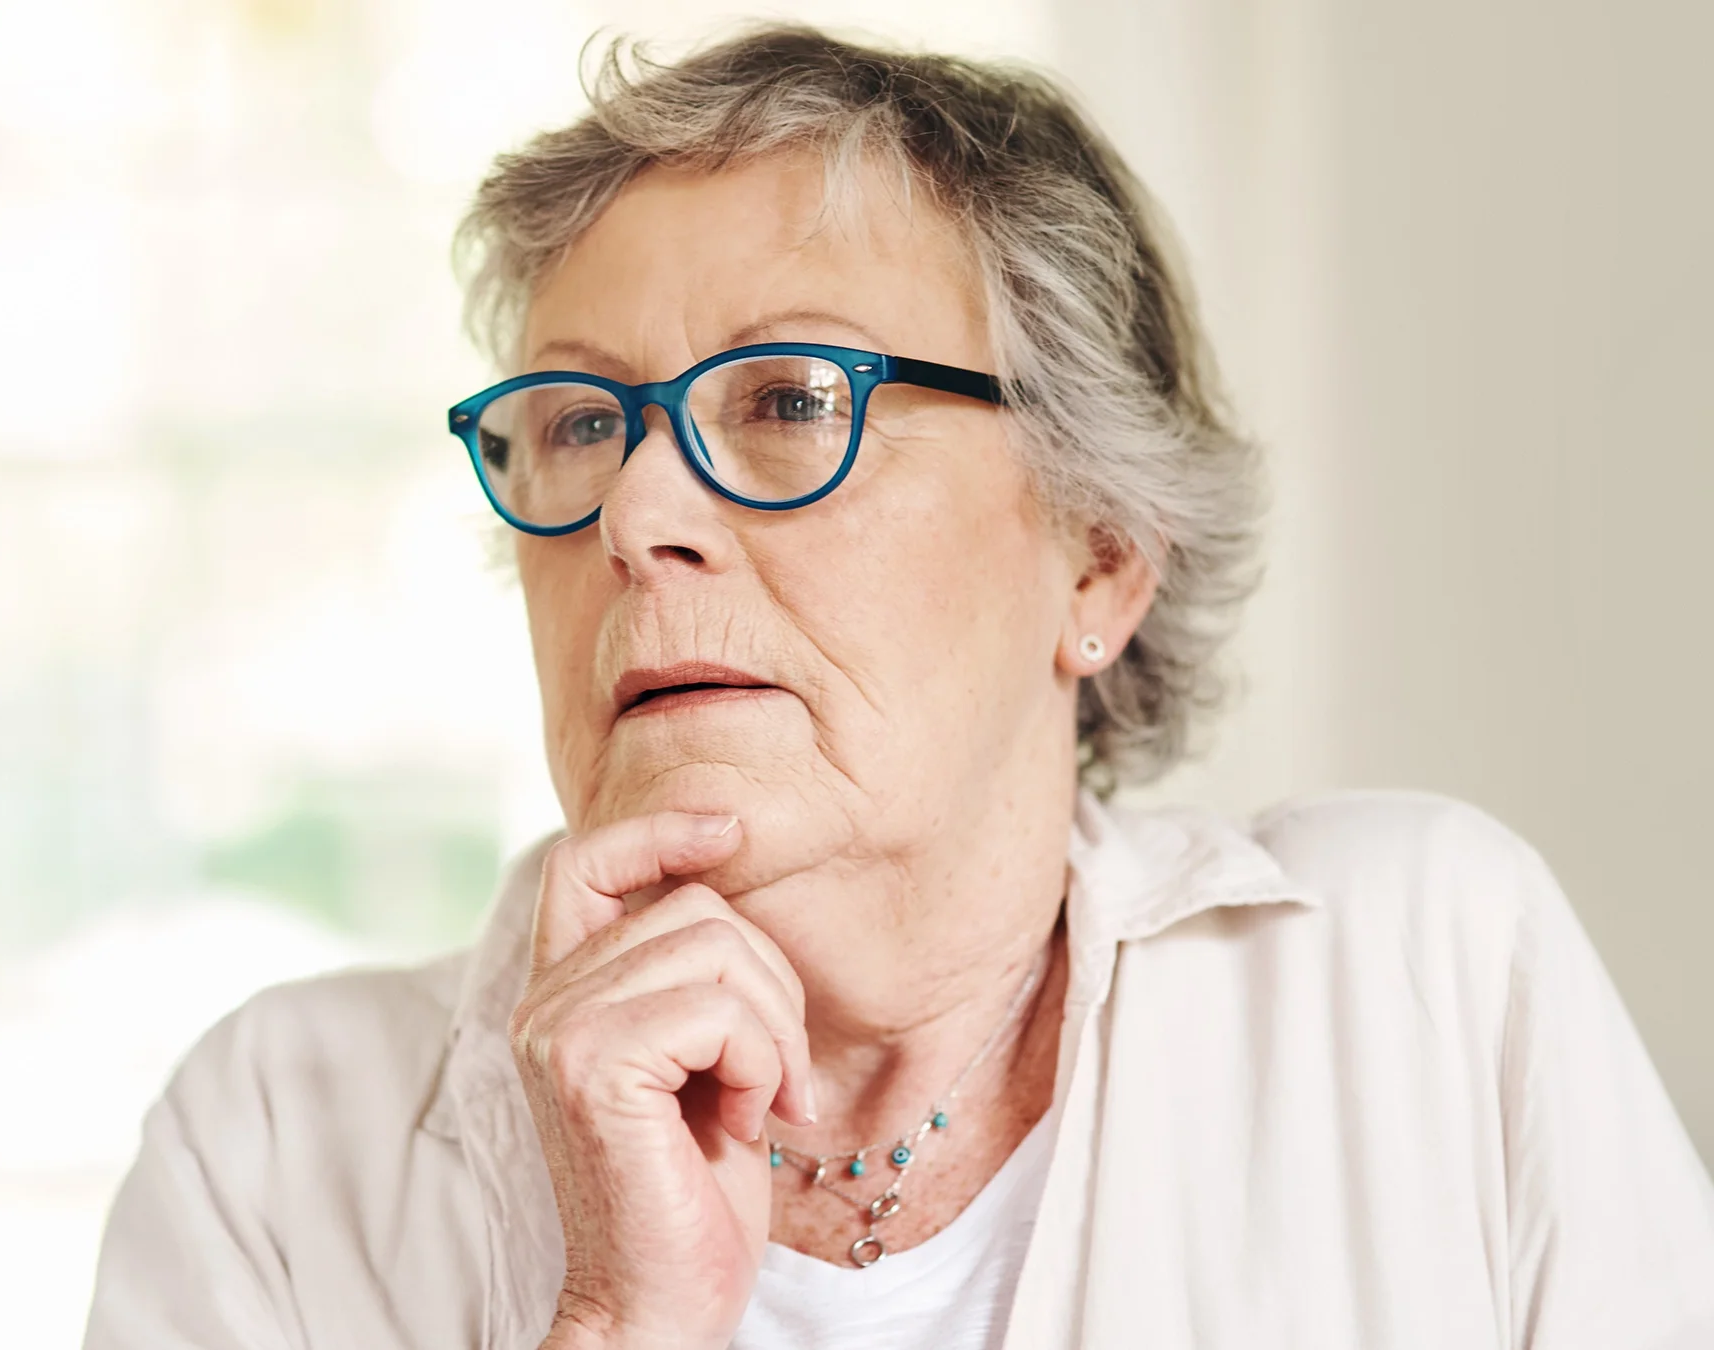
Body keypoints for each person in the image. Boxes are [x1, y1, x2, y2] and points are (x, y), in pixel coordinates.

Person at [84, 24, 1714, 1350]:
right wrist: (618, 1322)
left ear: (1099, 556)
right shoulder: (284, 1144)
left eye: (790, 399)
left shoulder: (1422, 974)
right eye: (581, 425)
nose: (640, 517)